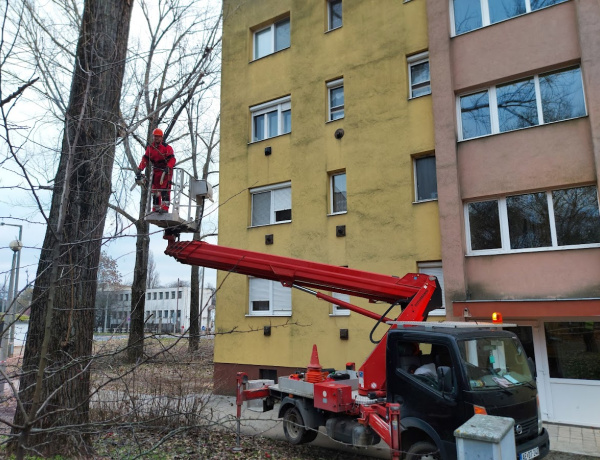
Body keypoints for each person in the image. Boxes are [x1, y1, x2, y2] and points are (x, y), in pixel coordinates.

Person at [137, 128, 176, 213]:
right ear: (153, 137)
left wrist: (168, 167)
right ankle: (156, 208)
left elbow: (172, 160)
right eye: (155, 137)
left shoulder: (167, 148)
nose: (157, 138)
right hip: (156, 170)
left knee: (164, 188)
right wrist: (140, 169)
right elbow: (145, 159)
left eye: (158, 137)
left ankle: (165, 207)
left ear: (161, 138)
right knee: (155, 189)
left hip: (166, 171)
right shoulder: (150, 148)